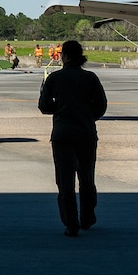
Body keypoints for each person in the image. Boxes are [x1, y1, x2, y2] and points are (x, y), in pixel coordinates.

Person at [38, 39, 107, 236]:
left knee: (65, 181)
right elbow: (101, 106)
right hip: (86, 133)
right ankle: (87, 218)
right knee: (87, 178)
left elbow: (44, 107)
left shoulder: (54, 78)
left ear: (64, 56)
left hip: (62, 134)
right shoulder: (91, 78)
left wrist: (60, 109)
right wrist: (86, 116)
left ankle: (71, 223)